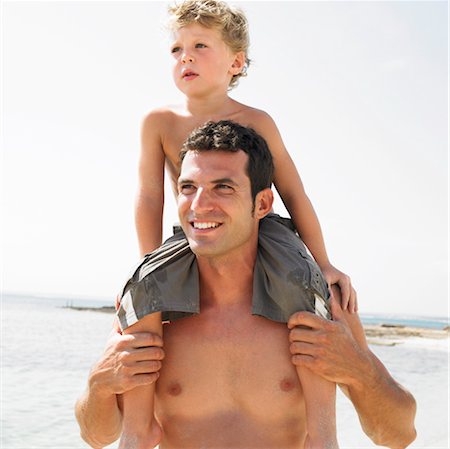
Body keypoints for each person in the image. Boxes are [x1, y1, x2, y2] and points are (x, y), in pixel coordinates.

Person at [75, 121, 417, 449]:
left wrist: (360, 369)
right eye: (188, 187)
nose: (199, 205)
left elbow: (399, 434)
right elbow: (96, 437)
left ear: (263, 204)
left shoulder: (319, 307)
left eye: (223, 187)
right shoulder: (155, 308)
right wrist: (98, 384)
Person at [114, 1, 355, 446]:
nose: (184, 56)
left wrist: (323, 263)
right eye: (176, 48)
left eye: (200, 45)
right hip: (196, 236)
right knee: (141, 296)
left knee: (305, 287)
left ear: (236, 62)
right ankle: (135, 432)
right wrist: (146, 264)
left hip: (265, 232)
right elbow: (149, 195)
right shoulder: (159, 121)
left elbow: (294, 193)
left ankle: (323, 434)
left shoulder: (257, 121)